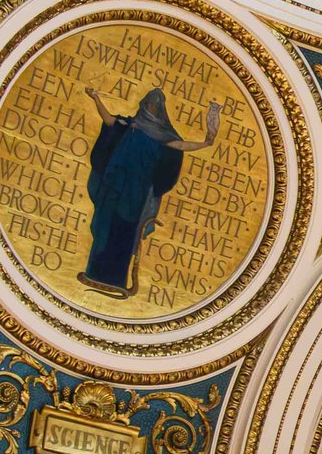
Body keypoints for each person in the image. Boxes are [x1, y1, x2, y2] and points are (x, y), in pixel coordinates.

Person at [78, 86, 218, 298]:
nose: (151, 108)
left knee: (125, 232)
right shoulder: (129, 125)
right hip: (114, 187)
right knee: (104, 228)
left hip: (136, 194)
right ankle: (94, 273)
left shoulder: (163, 137)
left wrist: (205, 143)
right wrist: (96, 98)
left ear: (160, 110)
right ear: (144, 104)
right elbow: (108, 119)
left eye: (155, 106)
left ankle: (115, 280)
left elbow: (182, 146)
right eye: (149, 103)